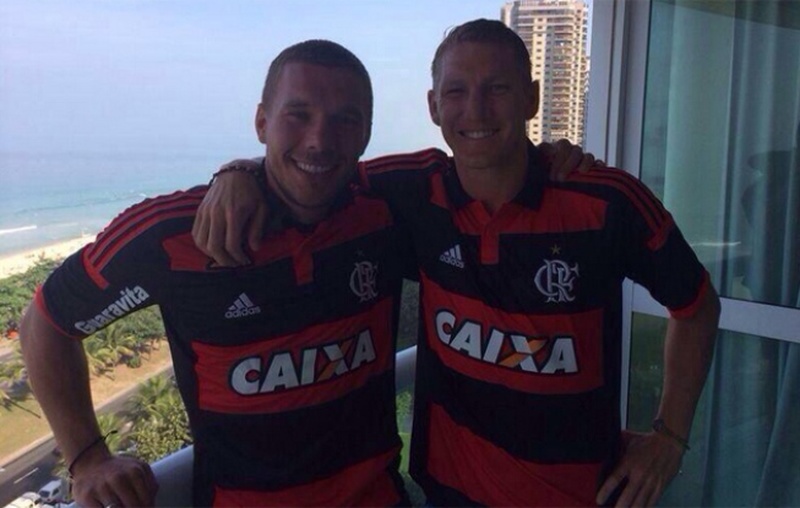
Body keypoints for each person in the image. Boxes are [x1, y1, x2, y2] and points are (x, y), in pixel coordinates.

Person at [19, 39, 589, 508]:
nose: (320, 140)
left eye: (346, 120)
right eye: (298, 115)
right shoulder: (171, 234)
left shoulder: (388, 206)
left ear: (366, 133)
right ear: (262, 120)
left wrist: (552, 159)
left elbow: (486, 165)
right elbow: (45, 323)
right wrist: (88, 455)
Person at [194, 20, 721, 507]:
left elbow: (696, 305)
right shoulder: (409, 190)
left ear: (532, 99)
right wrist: (237, 171)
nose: (476, 110)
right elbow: (312, 168)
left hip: (583, 494)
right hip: (448, 493)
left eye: (498, 89)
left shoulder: (608, 202)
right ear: (433, 106)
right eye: (456, 92)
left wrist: (669, 437)